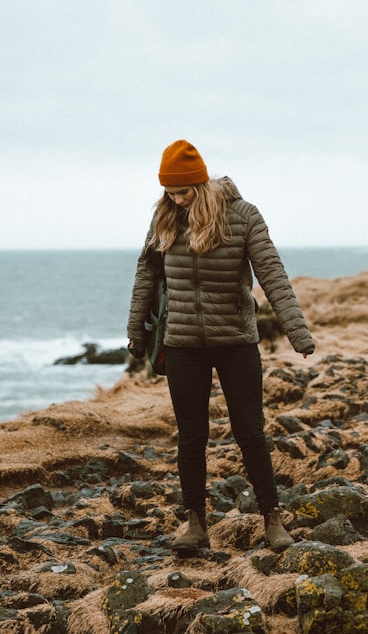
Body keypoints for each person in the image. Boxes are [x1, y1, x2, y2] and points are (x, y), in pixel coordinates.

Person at [127, 139, 315, 553]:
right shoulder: (164, 218)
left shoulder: (243, 216)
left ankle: (272, 520)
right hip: (182, 344)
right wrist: (135, 329)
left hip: (236, 342)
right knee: (191, 435)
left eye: (184, 191)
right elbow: (146, 273)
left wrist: (297, 333)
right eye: (170, 192)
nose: (177, 200)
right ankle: (195, 524)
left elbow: (273, 275)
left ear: (201, 182)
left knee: (251, 432)